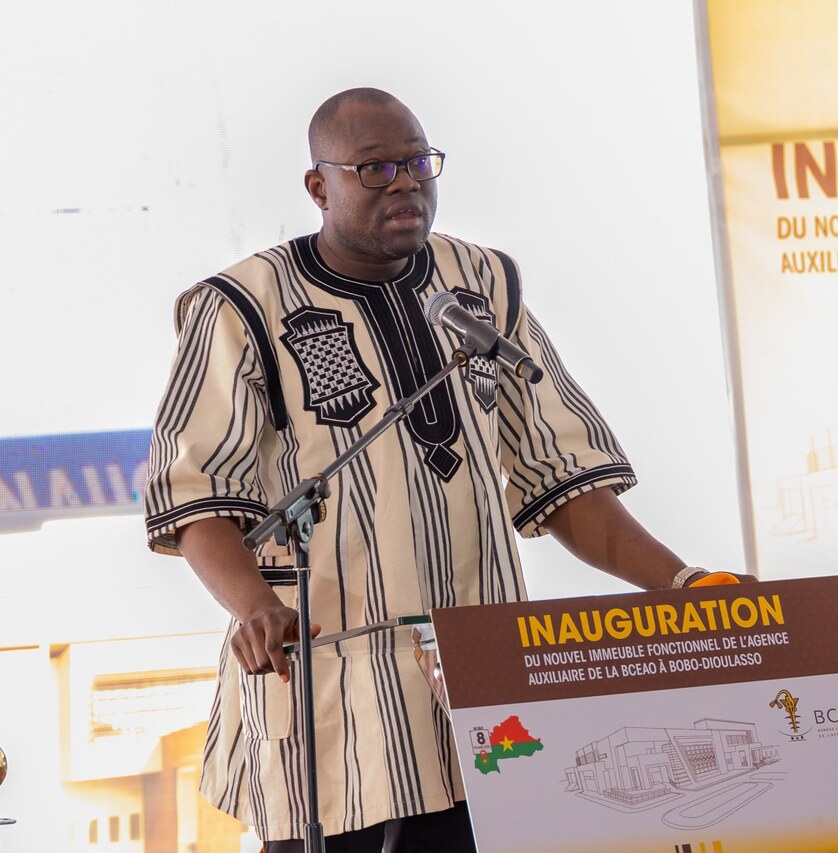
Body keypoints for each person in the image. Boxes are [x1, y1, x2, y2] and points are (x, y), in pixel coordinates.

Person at [144, 88, 742, 852]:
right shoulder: (240, 306)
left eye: (419, 163)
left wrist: (684, 583)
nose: (405, 184)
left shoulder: (482, 285)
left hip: (488, 703)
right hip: (337, 717)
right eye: (376, 168)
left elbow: (563, 477)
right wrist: (255, 606)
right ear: (319, 186)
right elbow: (196, 495)